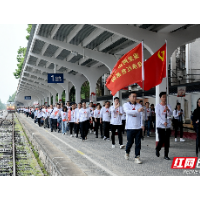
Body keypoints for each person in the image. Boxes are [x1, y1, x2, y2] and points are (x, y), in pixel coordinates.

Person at [123, 92, 144, 164]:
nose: (135, 98)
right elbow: (127, 112)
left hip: (138, 127)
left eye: (136, 96)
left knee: (138, 143)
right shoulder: (126, 105)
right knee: (130, 142)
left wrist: (142, 124)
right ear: (129, 97)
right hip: (130, 127)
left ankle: (137, 157)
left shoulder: (139, 105)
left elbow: (141, 116)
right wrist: (137, 111)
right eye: (133, 96)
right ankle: (127, 151)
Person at [155, 92, 173, 160]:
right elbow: (158, 116)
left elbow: (171, 113)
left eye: (165, 97)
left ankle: (166, 155)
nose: (164, 98)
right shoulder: (158, 106)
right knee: (161, 140)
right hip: (160, 126)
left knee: (167, 141)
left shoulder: (168, 105)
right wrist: (163, 122)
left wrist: (168, 109)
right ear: (160, 98)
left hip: (167, 126)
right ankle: (157, 149)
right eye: (163, 97)